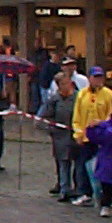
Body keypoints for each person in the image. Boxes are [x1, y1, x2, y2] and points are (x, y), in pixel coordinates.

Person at [71, 67, 112, 208]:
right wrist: (78, 134)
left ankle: (105, 196)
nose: (98, 80)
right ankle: (86, 194)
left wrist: (104, 127)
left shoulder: (108, 95)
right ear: (89, 78)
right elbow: (77, 116)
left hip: (102, 138)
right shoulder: (82, 94)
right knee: (83, 166)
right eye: (95, 77)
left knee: (104, 168)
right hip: (86, 138)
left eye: (100, 77)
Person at [38, 71, 80, 202]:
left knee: (78, 165)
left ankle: (79, 189)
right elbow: (43, 118)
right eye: (62, 84)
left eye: (67, 83)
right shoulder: (54, 100)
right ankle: (64, 189)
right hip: (60, 137)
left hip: (76, 136)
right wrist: (52, 129)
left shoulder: (79, 98)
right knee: (63, 164)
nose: (66, 86)